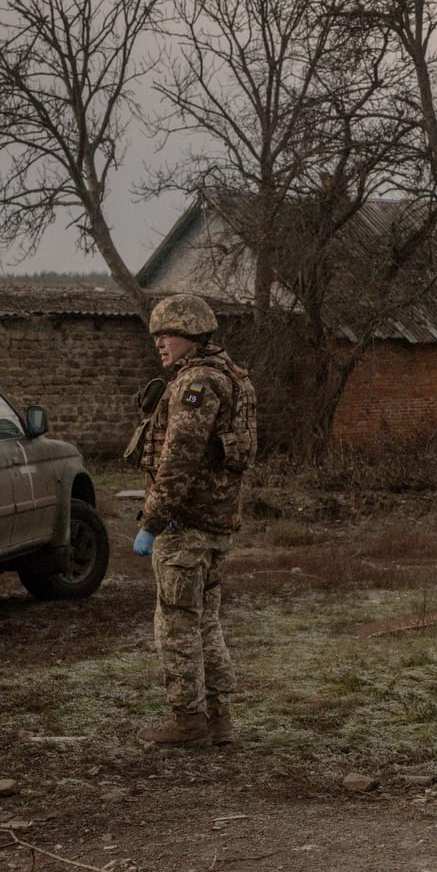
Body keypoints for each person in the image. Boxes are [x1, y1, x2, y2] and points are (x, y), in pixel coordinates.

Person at [132, 293, 257, 747]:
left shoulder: (197, 385)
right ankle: (219, 718)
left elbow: (179, 458)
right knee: (206, 620)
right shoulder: (234, 378)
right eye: (157, 336)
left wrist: (152, 519)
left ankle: (188, 721)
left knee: (177, 623)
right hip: (217, 525)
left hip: (184, 528)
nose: (160, 344)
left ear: (192, 334)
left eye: (167, 335)